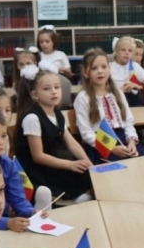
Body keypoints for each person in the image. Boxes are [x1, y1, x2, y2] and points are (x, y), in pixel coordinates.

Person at [14, 62, 93, 202]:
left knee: (92, 175)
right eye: (47, 89)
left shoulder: (57, 113)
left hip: (55, 163)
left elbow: (72, 143)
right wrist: (70, 165)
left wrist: (88, 163)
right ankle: (77, 202)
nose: (54, 92)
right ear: (35, 95)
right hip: (39, 170)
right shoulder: (32, 118)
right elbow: (38, 156)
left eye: (57, 87)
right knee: (81, 178)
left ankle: (81, 200)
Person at [74, 48, 144, 163]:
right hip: (100, 143)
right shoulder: (83, 98)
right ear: (85, 72)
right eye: (94, 68)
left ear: (109, 69)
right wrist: (112, 148)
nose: (100, 71)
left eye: (104, 67)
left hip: (123, 138)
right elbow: (86, 133)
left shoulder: (117, 93)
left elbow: (128, 122)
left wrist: (131, 142)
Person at [110, 36, 144, 107]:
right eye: (123, 50)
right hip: (115, 98)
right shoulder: (109, 67)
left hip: (133, 99)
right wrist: (118, 91)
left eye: (130, 51)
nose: (127, 53)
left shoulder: (135, 66)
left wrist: (137, 86)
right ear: (116, 51)